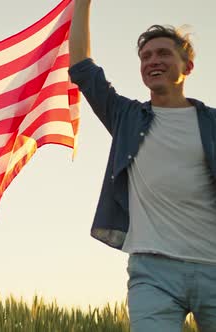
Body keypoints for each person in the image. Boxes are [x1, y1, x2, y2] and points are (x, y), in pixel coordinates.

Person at [69, 1, 216, 331]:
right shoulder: (126, 117)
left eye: (163, 54)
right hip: (153, 273)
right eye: (146, 56)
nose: (153, 61)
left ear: (187, 67)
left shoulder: (212, 124)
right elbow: (81, 67)